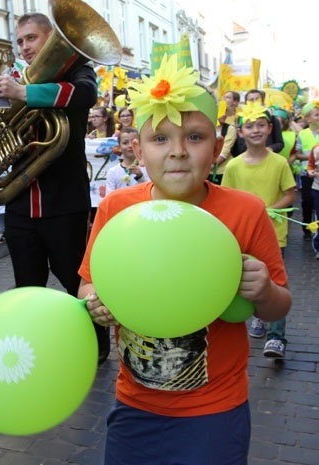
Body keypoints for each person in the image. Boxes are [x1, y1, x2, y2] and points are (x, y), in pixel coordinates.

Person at [78, 55, 291, 465]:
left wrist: (263, 289)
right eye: (160, 139)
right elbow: (87, 283)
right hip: (134, 406)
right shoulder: (115, 208)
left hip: (216, 410)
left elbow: (281, 303)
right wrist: (95, 303)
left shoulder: (246, 211)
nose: (177, 152)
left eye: (194, 137)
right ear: (138, 150)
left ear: (216, 149)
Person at [0, 12, 110, 362]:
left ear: (52, 38)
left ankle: (98, 341)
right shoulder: (12, 78)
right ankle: (36, 344)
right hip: (18, 203)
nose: (25, 47)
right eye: (20, 41)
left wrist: (24, 92)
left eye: (31, 38)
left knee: (73, 277)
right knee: (27, 283)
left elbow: (86, 94)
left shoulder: (76, 68)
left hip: (63, 201)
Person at [221, 100, 296, 359]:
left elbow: (290, 194)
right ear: (240, 132)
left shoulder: (279, 163)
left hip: (275, 234)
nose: (255, 130)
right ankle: (258, 316)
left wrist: (270, 208)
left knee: (275, 282)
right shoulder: (233, 166)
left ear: (269, 129)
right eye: (249, 126)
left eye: (260, 125)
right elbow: (226, 198)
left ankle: (277, 337)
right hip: (242, 236)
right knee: (246, 279)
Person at [231, 89, 284, 156]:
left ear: (263, 102)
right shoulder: (241, 119)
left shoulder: (272, 119)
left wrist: (270, 149)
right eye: (251, 100)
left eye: (257, 99)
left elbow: (279, 143)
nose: (255, 102)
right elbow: (236, 146)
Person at [295, 101, 319, 241]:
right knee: (307, 200)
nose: (318, 117)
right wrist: (311, 156)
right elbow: (297, 153)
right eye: (316, 115)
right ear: (308, 119)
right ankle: (307, 225)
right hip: (306, 172)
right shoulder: (302, 134)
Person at [105, 126, 148, 195]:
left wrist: (140, 177)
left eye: (134, 142)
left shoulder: (148, 168)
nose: (130, 146)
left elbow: (152, 191)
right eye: (125, 143)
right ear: (119, 148)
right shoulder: (113, 172)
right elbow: (109, 197)